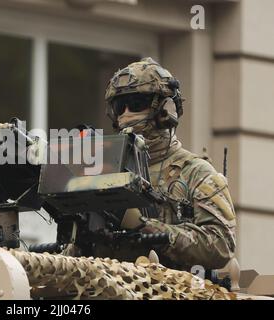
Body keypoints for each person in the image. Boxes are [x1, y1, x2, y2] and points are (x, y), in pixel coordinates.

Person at [95, 57, 236, 271]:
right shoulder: (104, 172)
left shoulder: (196, 173)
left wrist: (147, 228)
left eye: (135, 104)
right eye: (119, 106)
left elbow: (221, 245)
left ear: (165, 110)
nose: (125, 114)